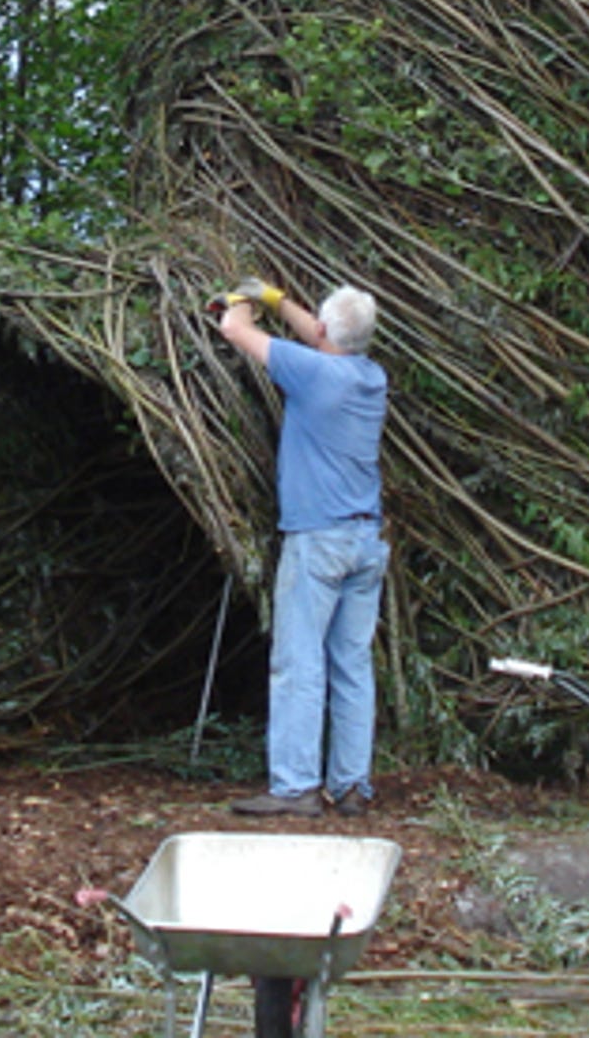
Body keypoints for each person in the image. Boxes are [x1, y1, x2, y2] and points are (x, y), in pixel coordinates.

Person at [211, 278, 391, 818]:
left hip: (319, 540)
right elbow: (317, 332)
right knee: (352, 664)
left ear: (322, 331)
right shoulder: (370, 376)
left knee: (298, 662)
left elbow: (232, 329)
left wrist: (241, 302)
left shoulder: (311, 372)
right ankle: (353, 785)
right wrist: (274, 298)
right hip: (365, 541)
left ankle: (294, 787)